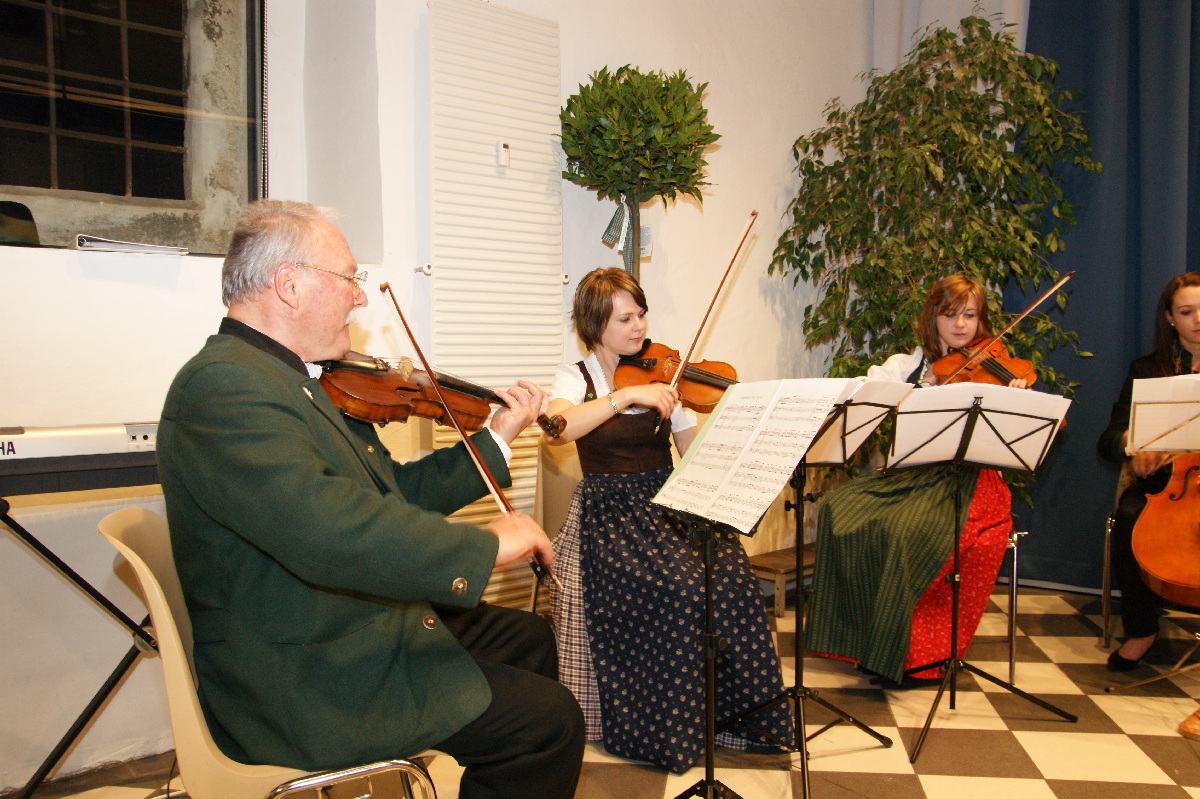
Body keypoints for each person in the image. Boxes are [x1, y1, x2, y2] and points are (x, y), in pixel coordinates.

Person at [156, 199, 584, 799]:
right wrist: (485, 543)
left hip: (329, 623)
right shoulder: (224, 387)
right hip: (302, 674)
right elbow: (328, 531)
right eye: (349, 278)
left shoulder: (286, 380)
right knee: (550, 725)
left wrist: (495, 438)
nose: (360, 298)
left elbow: (391, 495)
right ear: (289, 286)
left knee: (529, 639)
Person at [542, 267, 792, 774]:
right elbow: (557, 429)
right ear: (594, 325)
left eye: (641, 314)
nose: (639, 326)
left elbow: (690, 454)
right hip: (609, 513)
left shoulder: (666, 376)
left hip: (667, 501)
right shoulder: (577, 377)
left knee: (731, 578)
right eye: (625, 318)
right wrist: (626, 396)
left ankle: (735, 721)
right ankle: (663, 727)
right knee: (679, 588)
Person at [806, 275, 1028, 686]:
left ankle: (912, 655)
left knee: (904, 530)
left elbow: (1025, 432)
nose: (960, 325)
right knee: (839, 506)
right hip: (913, 476)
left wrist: (1015, 397)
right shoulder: (909, 366)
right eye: (950, 314)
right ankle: (859, 641)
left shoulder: (995, 366)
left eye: (970, 315)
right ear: (932, 317)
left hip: (970, 481)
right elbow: (864, 389)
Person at [1099, 271, 1200, 674]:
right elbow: (1108, 439)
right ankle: (1142, 629)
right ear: (1170, 319)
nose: (1198, 320)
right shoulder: (1148, 369)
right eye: (1187, 312)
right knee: (1129, 516)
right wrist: (1133, 444)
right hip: (1167, 485)